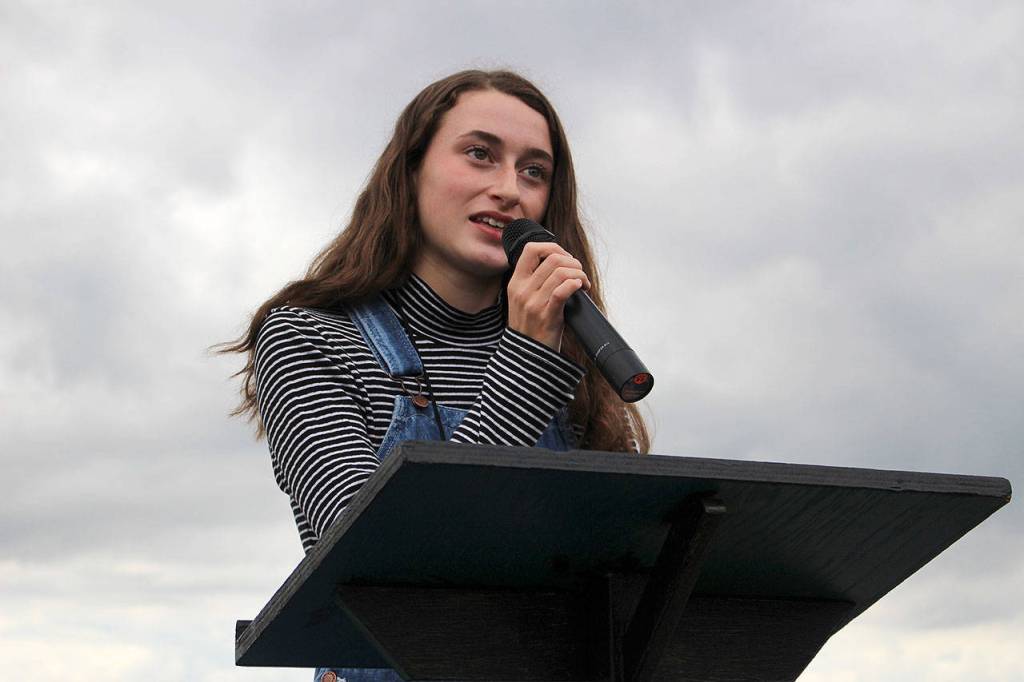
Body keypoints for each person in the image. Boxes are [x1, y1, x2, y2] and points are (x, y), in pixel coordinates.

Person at [223, 69, 650, 682]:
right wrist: (527, 362)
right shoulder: (309, 335)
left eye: (534, 171)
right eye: (480, 155)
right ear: (412, 170)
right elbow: (382, 562)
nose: (510, 190)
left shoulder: (573, 360)